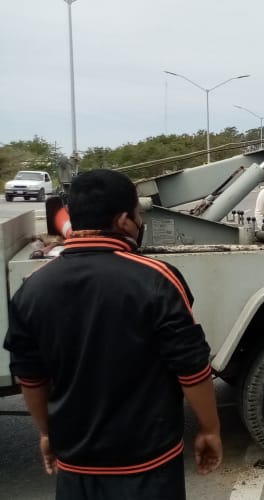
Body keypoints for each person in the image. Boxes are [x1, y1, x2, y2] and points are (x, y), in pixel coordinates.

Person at [3, 169, 222, 499]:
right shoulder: (157, 278)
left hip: (77, 465)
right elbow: (191, 367)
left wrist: (48, 434)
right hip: (149, 465)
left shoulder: (33, 287)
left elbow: (30, 377)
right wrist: (210, 428)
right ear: (124, 221)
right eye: (137, 214)